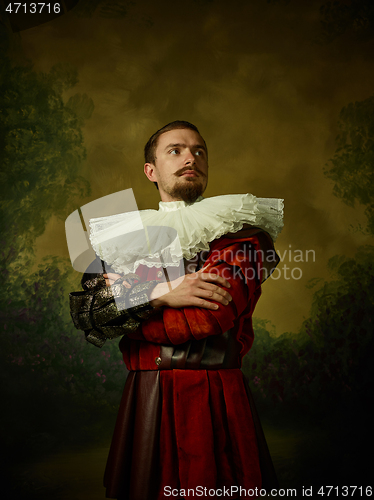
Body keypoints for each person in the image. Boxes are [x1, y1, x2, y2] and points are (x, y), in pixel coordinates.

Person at [69, 121, 283, 500]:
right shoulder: (122, 240)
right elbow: (88, 312)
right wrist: (160, 293)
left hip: (215, 393)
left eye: (199, 151)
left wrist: (129, 305)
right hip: (146, 396)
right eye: (176, 150)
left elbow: (207, 316)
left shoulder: (242, 237)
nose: (191, 158)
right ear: (151, 171)